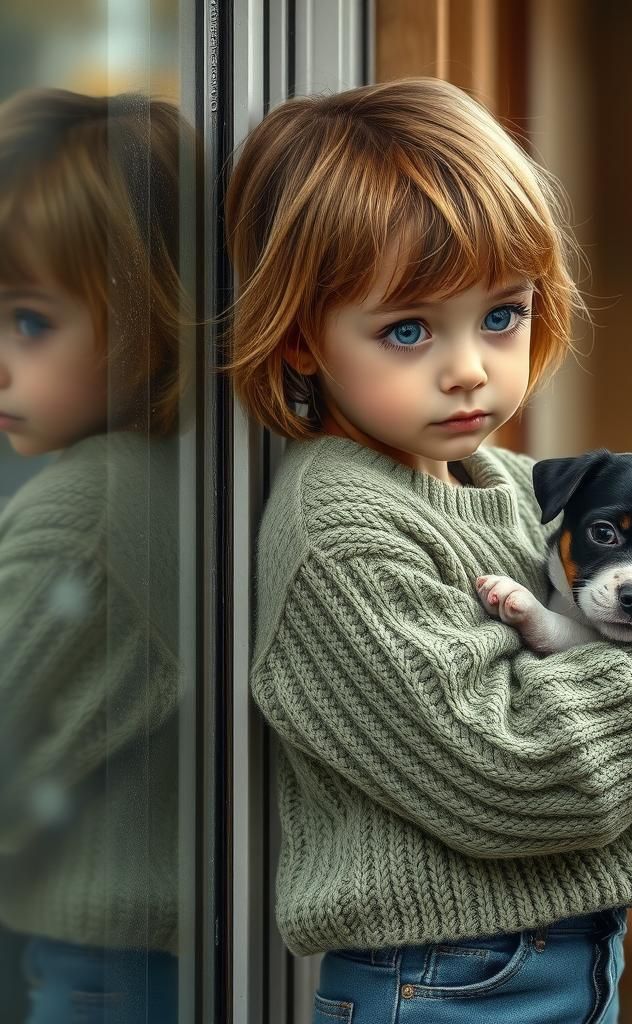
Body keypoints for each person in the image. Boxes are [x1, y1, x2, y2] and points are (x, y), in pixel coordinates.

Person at [225, 76, 632, 1024]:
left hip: (569, 953)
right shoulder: (342, 532)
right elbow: (506, 771)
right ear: (302, 340)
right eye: (408, 329)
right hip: (443, 980)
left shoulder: (513, 485)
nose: (470, 366)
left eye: (500, 315)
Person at [0, 87, 192, 1023]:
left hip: (105, 974)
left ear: (149, 314)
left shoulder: (83, 511)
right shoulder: (181, 479)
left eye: (29, 322)